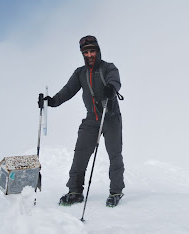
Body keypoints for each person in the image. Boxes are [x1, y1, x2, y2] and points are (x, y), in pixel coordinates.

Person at [38, 35, 125, 207]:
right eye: (86, 52)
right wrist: (52, 101)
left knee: (114, 155)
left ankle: (116, 191)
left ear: (98, 51)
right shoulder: (80, 73)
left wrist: (111, 88)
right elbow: (68, 90)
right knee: (80, 155)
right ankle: (75, 191)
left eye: (92, 51)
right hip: (92, 119)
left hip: (111, 117)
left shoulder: (108, 68)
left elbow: (115, 80)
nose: (89, 55)